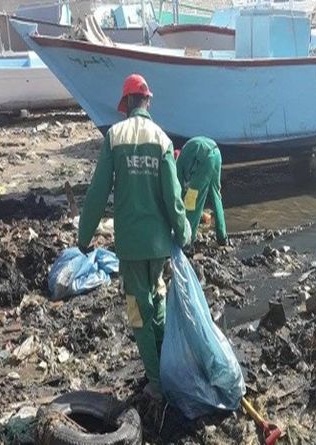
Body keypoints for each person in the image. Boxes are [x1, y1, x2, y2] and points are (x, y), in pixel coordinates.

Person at [77, 73, 191, 397]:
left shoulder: (114, 136)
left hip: (130, 245)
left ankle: (156, 382)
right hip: (158, 245)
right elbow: (174, 196)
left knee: (137, 311)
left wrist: (84, 237)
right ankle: (165, 367)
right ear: (148, 101)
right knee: (156, 300)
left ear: (126, 104)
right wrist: (183, 234)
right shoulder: (163, 139)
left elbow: (98, 192)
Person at [175, 136, 228, 246]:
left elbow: (178, 193)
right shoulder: (187, 151)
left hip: (205, 158)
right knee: (216, 196)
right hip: (217, 153)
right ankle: (222, 237)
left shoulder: (178, 164)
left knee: (192, 200)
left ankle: (189, 240)